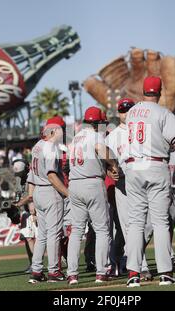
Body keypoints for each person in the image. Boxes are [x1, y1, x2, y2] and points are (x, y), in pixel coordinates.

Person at [125, 76, 175, 287]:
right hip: (155, 166)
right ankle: (165, 273)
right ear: (160, 91)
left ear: (143, 92)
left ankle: (133, 274)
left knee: (136, 223)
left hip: (133, 167)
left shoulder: (131, 113)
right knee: (161, 222)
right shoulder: (163, 113)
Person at [66, 107, 119, 285]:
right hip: (92, 182)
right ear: (96, 123)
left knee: (76, 231)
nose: (103, 126)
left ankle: (72, 274)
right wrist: (113, 164)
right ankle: (101, 272)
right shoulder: (95, 136)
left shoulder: (74, 138)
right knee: (102, 230)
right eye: (102, 123)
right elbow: (101, 150)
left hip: (74, 183)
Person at [105, 98, 154, 280]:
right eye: (123, 110)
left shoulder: (144, 129)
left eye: (129, 109)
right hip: (123, 184)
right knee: (128, 227)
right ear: (119, 114)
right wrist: (110, 171)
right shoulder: (112, 136)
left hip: (143, 180)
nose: (126, 113)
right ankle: (141, 266)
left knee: (149, 224)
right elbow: (105, 161)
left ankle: (129, 257)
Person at [27, 116, 69, 283]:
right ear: (54, 130)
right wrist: (68, 193)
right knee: (53, 234)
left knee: (43, 235)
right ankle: (54, 272)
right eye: (61, 129)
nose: (63, 132)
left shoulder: (37, 146)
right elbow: (52, 175)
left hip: (38, 191)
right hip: (50, 191)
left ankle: (36, 271)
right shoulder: (51, 147)